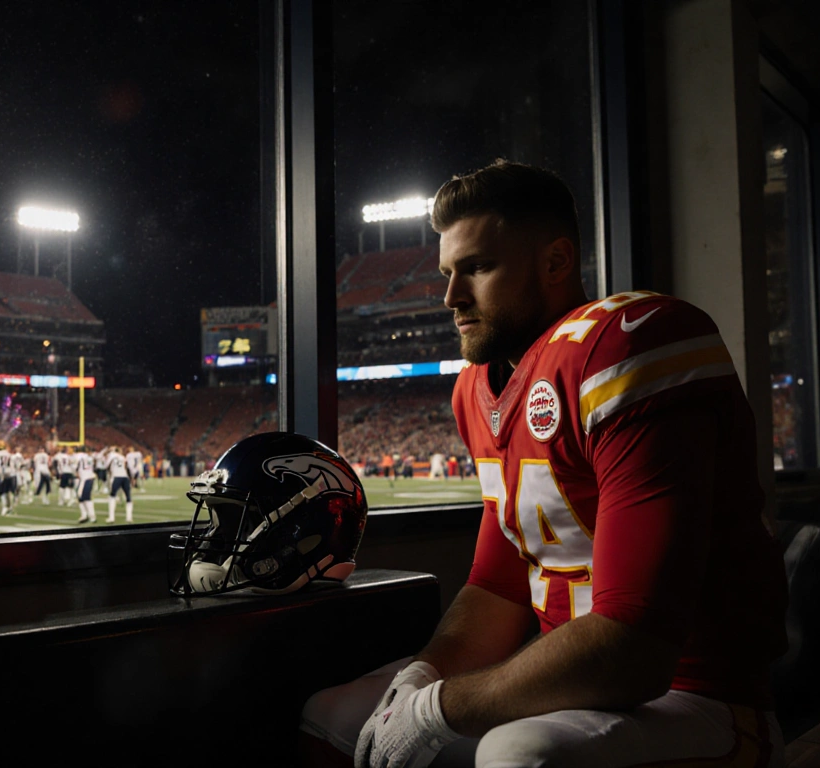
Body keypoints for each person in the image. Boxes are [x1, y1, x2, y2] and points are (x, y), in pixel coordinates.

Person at [301, 161, 788, 768]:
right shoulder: (475, 388)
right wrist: (425, 674)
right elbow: (499, 584)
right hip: (571, 684)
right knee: (333, 712)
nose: (452, 296)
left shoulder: (632, 341)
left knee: (520, 753)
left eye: (478, 268)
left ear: (556, 262)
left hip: (697, 694)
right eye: (448, 273)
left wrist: (439, 709)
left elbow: (636, 646)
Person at [104, 445, 133, 524]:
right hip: (125, 477)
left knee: (112, 496)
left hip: (116, 477)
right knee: (128, 497)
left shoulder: (111, 455)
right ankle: (129, 518)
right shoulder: (122, 457)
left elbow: (106, 465)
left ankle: (111, 517)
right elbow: (127, 467)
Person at [74, 446, 97, 524]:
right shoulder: (89, 457)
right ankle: (85, 515)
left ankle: (92, 516)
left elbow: (74, 466)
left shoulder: (79, 456)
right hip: (89, 477)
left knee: (85, 497)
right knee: (81, 497)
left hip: (85, 479)